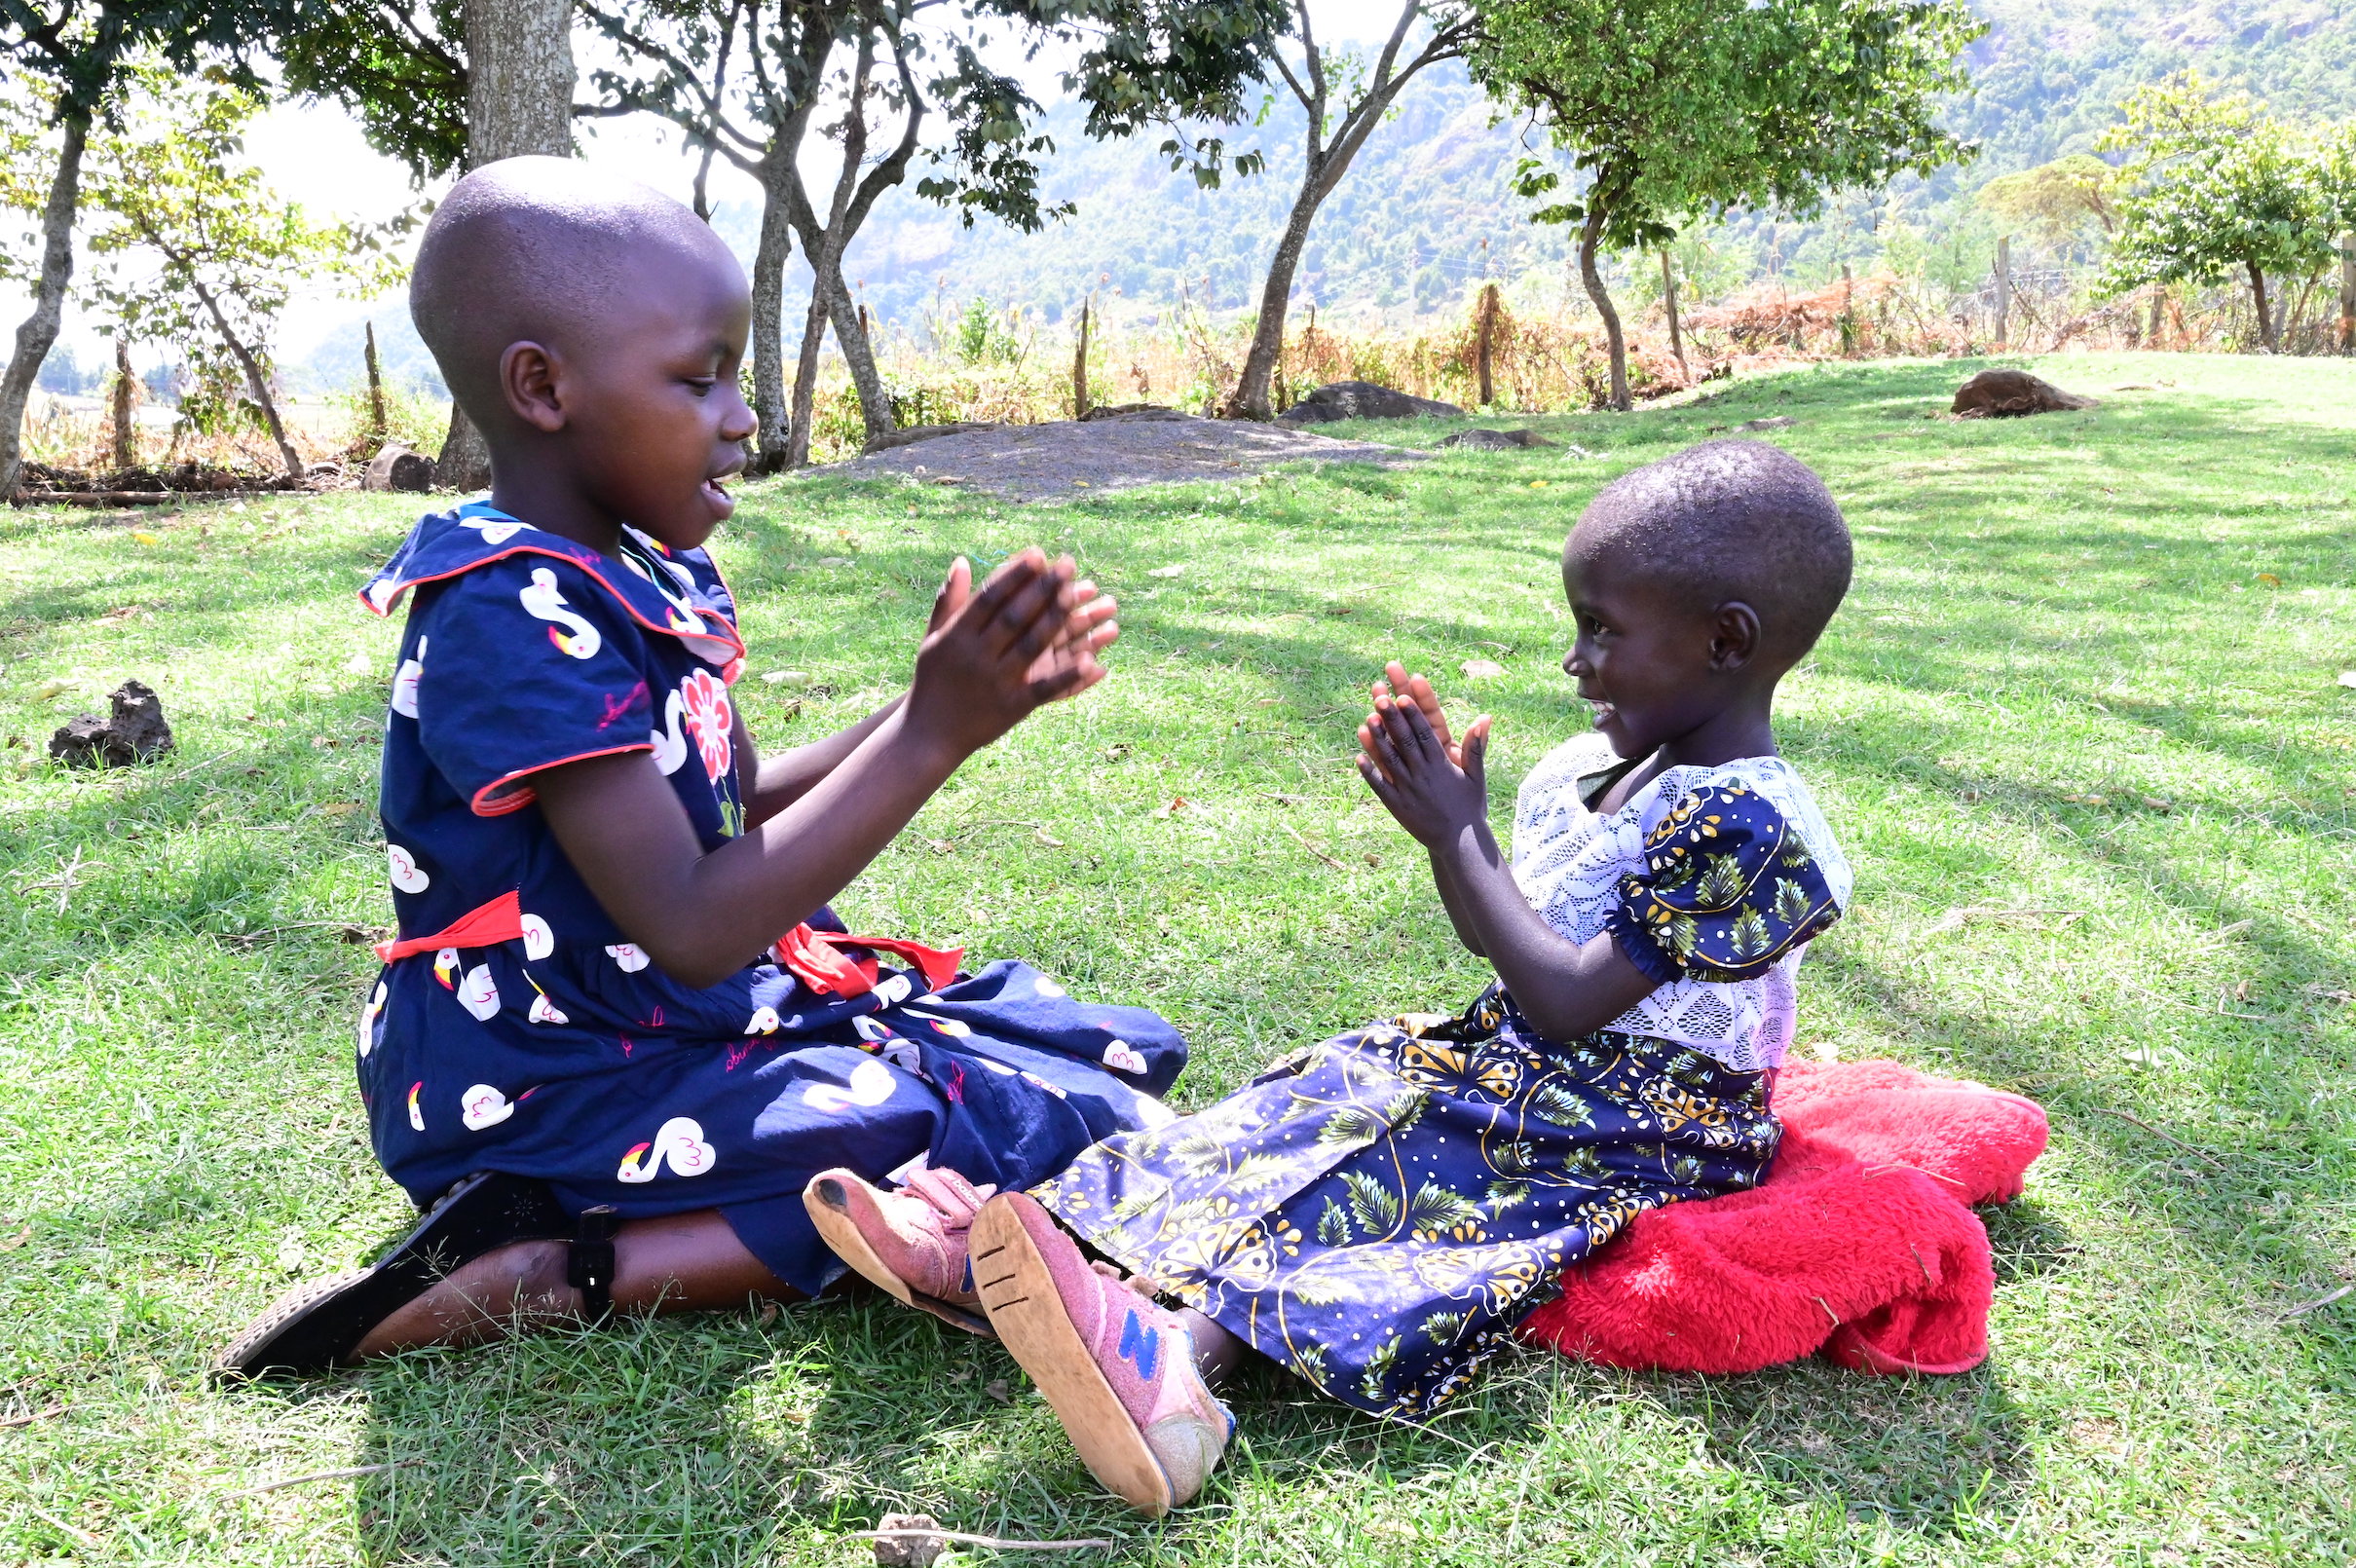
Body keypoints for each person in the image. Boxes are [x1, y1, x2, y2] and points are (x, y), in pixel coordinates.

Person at [217, 157, 1186, 1377]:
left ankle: (810, 1209)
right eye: (699, 376)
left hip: (657, 1023)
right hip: (543, 1074)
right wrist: (931, 735)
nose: (745, 416)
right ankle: (546, 1268)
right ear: (542, 387)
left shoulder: (635, 565)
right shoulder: (503, 609)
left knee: (1091, 1054)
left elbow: (728, 805)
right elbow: (691, 919)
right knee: (919, 1120)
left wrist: (937, 708)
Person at [805, 439, 1858, 1514]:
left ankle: (1177, 1369)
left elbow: (1565, 995)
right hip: (1522, 1054)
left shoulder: (1756, 827)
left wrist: (1459, 837)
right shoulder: (1590, 768)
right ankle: (1044, 1246)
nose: (1574, 660)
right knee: (1329, 1084)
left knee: (1415, 1157)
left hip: (1648, 1122)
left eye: (1602, 629)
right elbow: (1501, 948)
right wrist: (1454, 830)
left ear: (1727, 640)